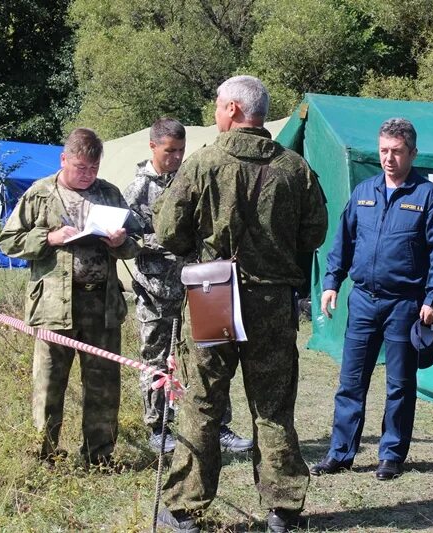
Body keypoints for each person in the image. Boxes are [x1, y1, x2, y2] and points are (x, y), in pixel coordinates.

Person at [153, 76, 327, 533]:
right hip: (272, 300)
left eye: (216, 105)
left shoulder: (203, 163)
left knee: (203, 402)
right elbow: (315, 233)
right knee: (272, 407)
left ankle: (186, 510)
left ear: (232, 109)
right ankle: (283, 511)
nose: (214, 113)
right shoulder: (295, 169)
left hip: (213, 293)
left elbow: (170, 231)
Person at [310, 118, 433, 481]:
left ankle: (391, 454)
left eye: (397, 152)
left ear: (413, 153)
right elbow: (342, 242)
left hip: (405, 304)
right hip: (363, 300)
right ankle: (340, 453)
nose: (389, 158)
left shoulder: (429, 198)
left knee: (400, 383)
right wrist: (331, 282)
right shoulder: (364, 192)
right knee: (350, 380)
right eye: (383, 151)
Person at [0, 128, 139, 465]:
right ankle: (44, 456)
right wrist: (50, 238)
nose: (87, 175)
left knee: (104, 385)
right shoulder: (40, 193)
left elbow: (134, 244)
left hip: (102, 306)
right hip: (53, 305)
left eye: (93, 168)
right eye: (80, 167)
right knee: (49, 384)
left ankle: (99, 456)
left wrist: (120, 243)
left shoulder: (109, 193)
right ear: (64, 159)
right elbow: (8, 241)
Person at [124, 117, 252, 454]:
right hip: (157, 291)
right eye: (169, 151)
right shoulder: (138, 189)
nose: (176, 157)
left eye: (181, 150)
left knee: (211, 356)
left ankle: (218, 426)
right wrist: (167, 240)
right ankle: (159, 428)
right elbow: (130, 238)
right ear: (153, 147)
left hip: (199, 284)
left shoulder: (192, 177)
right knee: (156, 358)